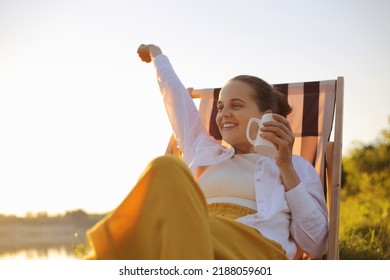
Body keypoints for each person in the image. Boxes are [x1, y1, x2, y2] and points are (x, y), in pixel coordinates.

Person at [85, 44, 328, 260]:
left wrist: (285, 167)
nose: (223, 115)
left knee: (174, 235)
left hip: (254, 246)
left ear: (266, 116)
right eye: (221, 107)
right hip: (196, 234)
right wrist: (157, 55)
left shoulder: (295, 167)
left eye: (236, 105)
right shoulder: (206, 152)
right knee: (165, 167)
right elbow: (176, 99)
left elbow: (316, 245)